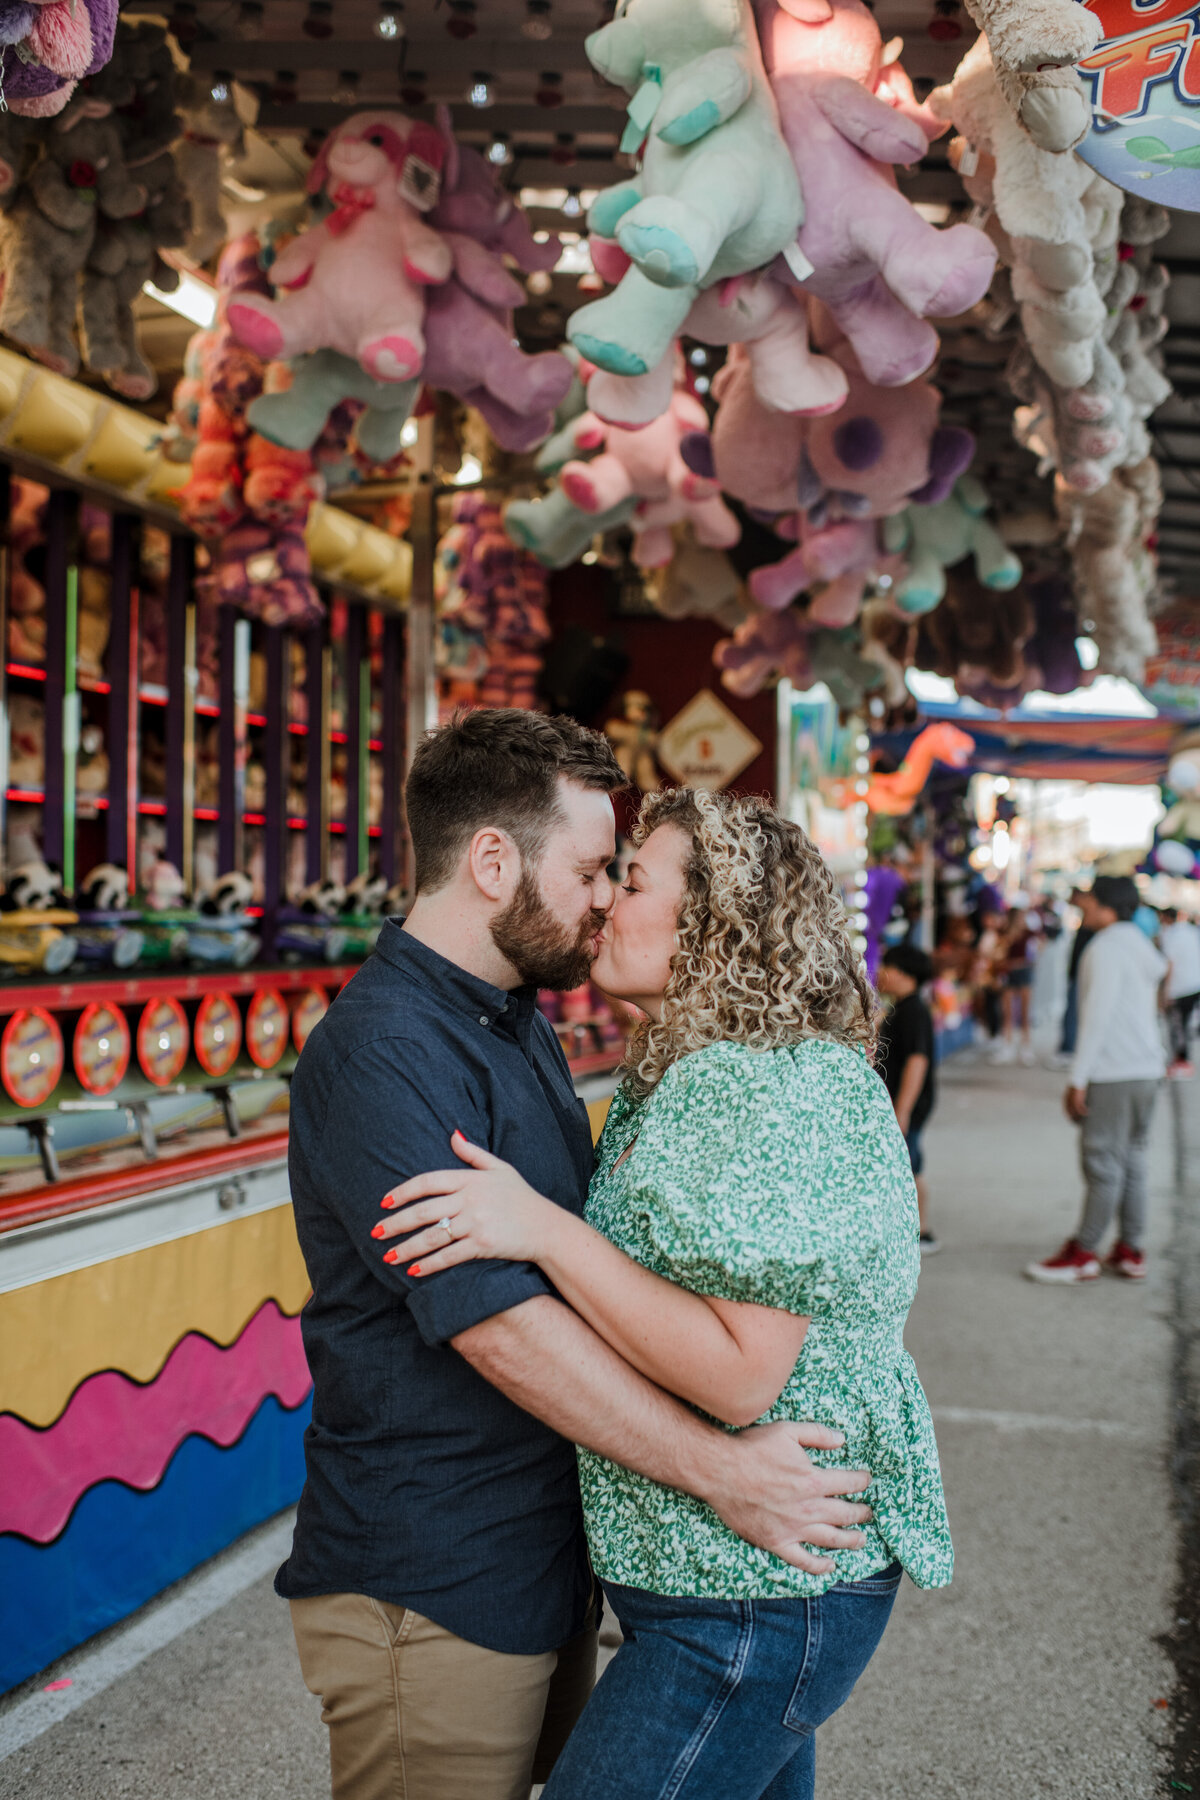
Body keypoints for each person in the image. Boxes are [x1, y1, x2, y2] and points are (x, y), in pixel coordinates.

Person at [280, 711, 874, 1800]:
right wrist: (723, 1472)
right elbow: (502, 1328)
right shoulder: (384, 1051)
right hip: (437, 1575)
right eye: (594, 867)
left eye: (622, 874)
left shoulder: (513, 1018)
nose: (605, 897)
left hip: (542, 1569)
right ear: (493, 861)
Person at [376, 788, 952, 1800]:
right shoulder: (701, 1072)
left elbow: (740, 1376)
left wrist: (543, 1231)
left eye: (632, 881)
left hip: (754, 1596)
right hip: (729, 1583)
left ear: (715, 920)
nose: (603, 904)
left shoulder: (753, 1084)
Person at [1025, 875, 1167, 1285]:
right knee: (1133, 1159)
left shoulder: (1104, 948)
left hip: (1114, 1073)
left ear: (1106, 905)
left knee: (1103, 1163)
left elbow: (1098, 1018)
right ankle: (1130, 1249)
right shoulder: (1139, 943)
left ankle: (1083, 1252)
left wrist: (1078, 1079)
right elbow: (1160, 976)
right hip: (1146, 1071)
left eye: (1087, 897)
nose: (1079, 903)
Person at [877, 944, 939, 1254]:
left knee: (910, 1165)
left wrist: (902, 1111)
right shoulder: (901, 1008)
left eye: (886, 968)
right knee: (909, 1162)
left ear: (903, 975)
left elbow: (917, 1062)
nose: (879, 974)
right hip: (901, 1104)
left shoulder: (914, 1012)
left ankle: (923, 1231)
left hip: (908, 1105)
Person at [1159, 906, 1200, 1077]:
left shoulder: (1169, 935)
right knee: (1184, 1024)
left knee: (1178, 1026)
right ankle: (1182, 1059)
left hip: (1180, 987)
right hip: (1194, 984)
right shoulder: (1191, 931)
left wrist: (1165, 993)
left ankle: (1181, 1061)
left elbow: (1169, 965)